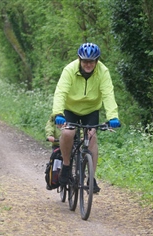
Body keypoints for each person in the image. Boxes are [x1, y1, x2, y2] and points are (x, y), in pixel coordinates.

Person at [52, 42, 121, 193]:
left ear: (97, 61)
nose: (88, 64)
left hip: (91, 110)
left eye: (91, 61)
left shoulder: (103, 71)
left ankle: (91, 177)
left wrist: (113, 116)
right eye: (85, 61)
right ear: (79, 60)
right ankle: (66, 164)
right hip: (70, 109)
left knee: (91, 136)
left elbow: (108, 94)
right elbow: (61, 92)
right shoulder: (69, 69)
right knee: (68, 133)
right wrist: (58, 113)